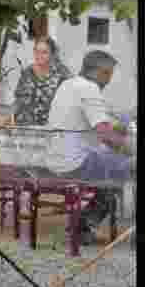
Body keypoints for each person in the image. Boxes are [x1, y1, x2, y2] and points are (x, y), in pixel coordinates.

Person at [44, 50, 133, 244]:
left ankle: (82, 226)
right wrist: (131, 147)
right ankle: (86, 226)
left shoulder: (68, 85)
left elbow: (94, 121)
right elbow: (105, 135)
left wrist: (115, 130)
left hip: (55, 160)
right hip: (74, 164)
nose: (108, 80)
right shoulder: (89, 88)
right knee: (129, 166)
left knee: (112, 169)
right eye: (108, 74)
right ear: (98, 71)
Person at [13, 36, 72, 126]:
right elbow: (18, 99)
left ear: (52, 54)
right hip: (23, 126)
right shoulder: (28, 71)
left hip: (49, 128)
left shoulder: (63, 74)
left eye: (44, 52)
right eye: (36, 51)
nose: (38, 55)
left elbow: (69, 103)